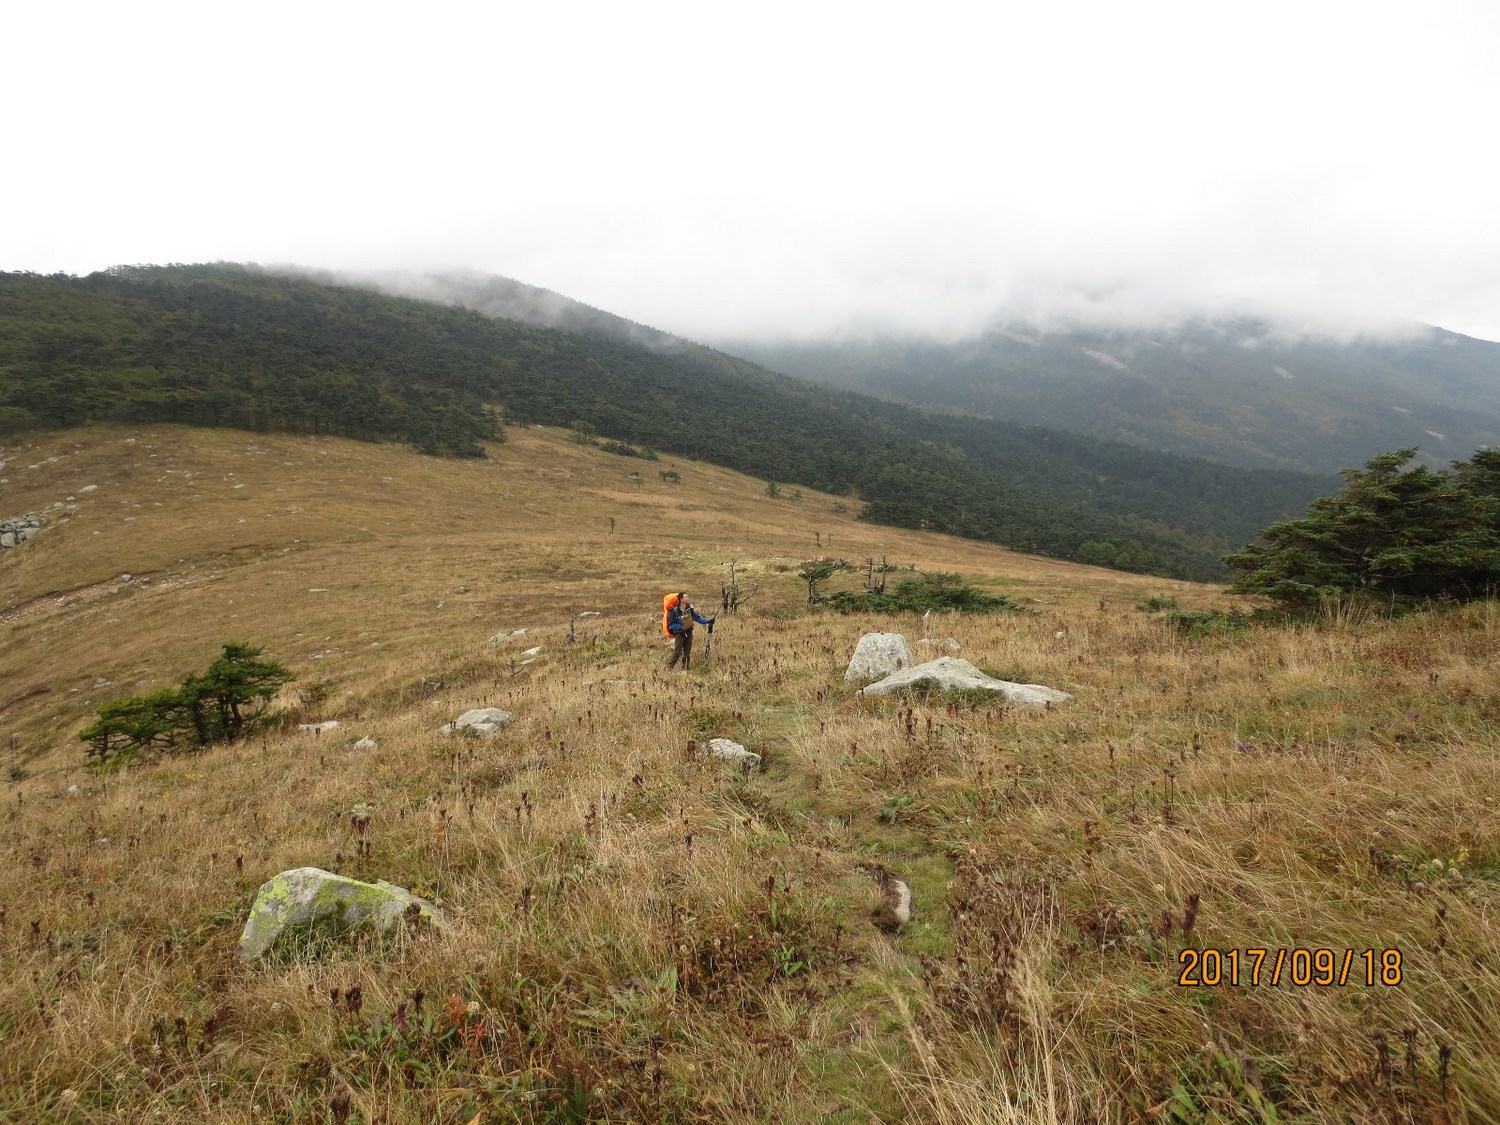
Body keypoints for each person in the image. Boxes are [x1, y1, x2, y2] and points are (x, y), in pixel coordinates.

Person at [662, 591, 714, 670]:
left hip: (689, 632)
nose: (688, 598)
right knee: (677, 652)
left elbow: (696, 617)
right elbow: (671, 625)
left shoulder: (689, 608)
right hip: (680, 634)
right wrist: (680, 627)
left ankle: (686, 668)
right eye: (686, 597)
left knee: (687, 652)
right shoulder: (674, 611)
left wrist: (707, 621)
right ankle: (669, 668)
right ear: (681, 599)